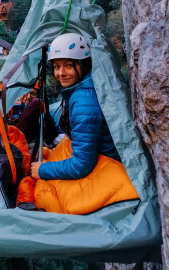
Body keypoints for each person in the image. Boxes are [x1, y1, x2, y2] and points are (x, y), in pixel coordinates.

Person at [30, 32, 121, 181]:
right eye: (57, 66)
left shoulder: (84, 102)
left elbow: (81, 165)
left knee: (43, 194)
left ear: (83, 65)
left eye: (68, 65)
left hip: (108, 169)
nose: (61, 73)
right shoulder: (87, 86)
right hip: (103, 161)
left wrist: (43, 170)